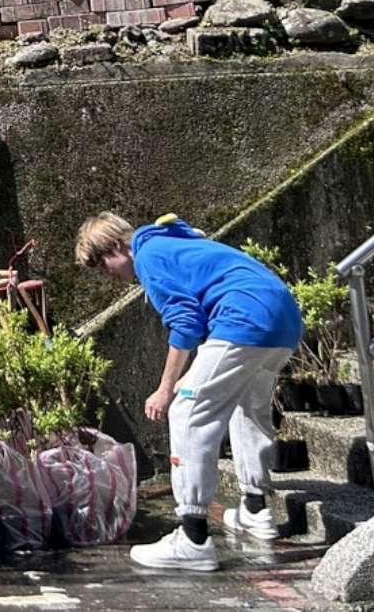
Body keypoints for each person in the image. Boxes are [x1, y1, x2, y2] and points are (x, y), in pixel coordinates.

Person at [74, 213, 303, 572]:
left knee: (186, 411)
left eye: (103, 265)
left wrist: (166, 388)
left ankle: (193, 537)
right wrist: (192, 374)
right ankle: (255, 509)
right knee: (247, 407)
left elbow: (185, 323)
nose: (109, 276)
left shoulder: (148, 256)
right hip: (282, 320)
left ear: (116, 246)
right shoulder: (175, 244)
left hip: (244, 319)